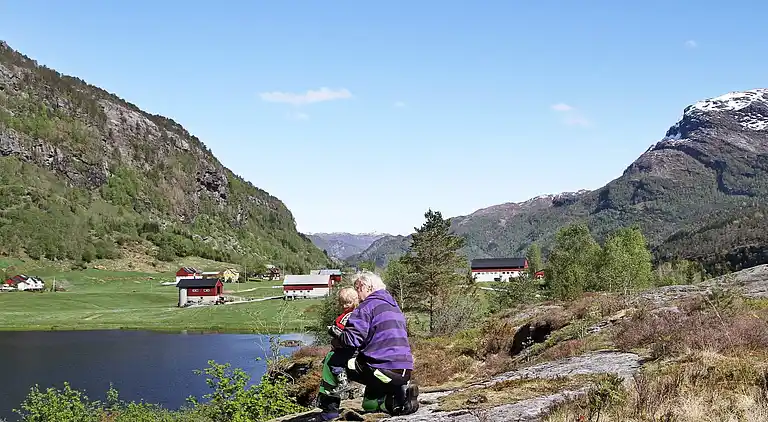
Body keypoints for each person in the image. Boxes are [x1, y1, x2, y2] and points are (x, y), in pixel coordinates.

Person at [315, 271, 419, 420]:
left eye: (357, 288)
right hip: (403, 371)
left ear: (365, 286)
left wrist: (336, 335)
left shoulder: (366, 307)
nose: (357, 294)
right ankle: (397, 399)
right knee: (368, 405)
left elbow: (351, 341)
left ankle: (329, 412)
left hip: (379, 369)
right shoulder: (394, 307)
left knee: (332, 358)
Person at [325, 287, 359, 393]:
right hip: (351, 346)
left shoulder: (349, 315)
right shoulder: (356, 313)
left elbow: (342, 329)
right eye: (342, 303)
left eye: (348, 303)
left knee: (334, 362)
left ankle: (343, 383)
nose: (344, 306)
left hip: (349, 347)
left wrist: (333, 330)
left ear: (355, 301)